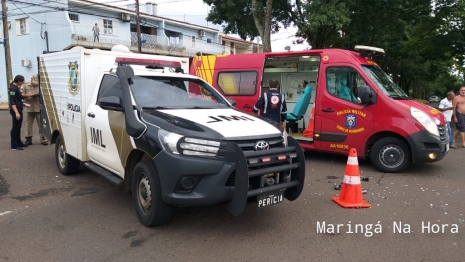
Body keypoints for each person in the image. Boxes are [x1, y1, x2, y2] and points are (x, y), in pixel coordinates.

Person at [20, 74, 49, 145]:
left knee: (41, 124)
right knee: (29, 124)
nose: (35, 84)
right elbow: (20, 95)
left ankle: (43, 139)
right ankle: (28, 138)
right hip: (29, 107)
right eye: (34, 82)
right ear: (31, 79)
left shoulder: (41, 86)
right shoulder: (25, 86)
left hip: (39, 108)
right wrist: (27, 95)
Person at [9, 75, 33, 150]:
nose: (23, 83)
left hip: (19, 108)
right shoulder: (13, 88)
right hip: (15, 110)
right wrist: (16, 112)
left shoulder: (16, 88)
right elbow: (12, 101)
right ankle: (14, 145)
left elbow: (18, 99)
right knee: (15, 128)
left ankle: (19, 142)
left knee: (18, 127)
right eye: (22, 81)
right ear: (19, 81)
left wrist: (24, 104)